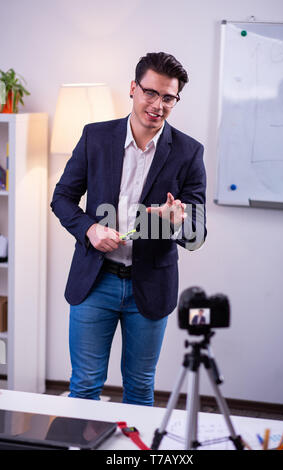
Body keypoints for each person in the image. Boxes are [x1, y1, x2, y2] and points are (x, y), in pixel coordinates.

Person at [50, 52, 207, 406]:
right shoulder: (96, 137)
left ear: (176, 99)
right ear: (134, 88)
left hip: (149, 286)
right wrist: (89, 229)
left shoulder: (188, 152)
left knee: (140, 386)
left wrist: (177, 224)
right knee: (85, 384)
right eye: (150, 93)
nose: (158, 105)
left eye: (168, 97)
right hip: (95, 280)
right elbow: (62, 198)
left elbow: (197, 234)